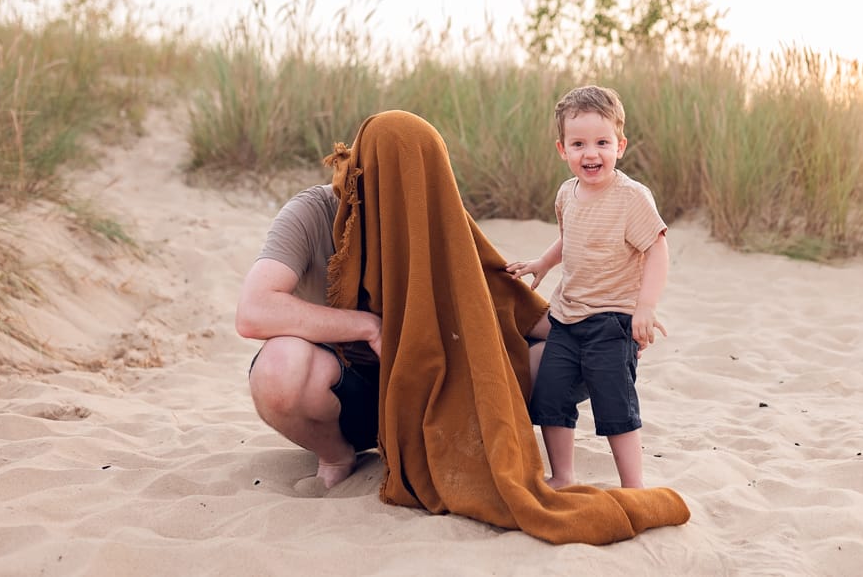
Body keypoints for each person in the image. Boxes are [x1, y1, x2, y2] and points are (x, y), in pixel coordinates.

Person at [235, 114, 551, 490]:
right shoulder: (314, 212)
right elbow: (253, 311)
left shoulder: (436, 217)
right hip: (343, 395)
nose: (405, 190)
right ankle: (336, 456)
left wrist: (604, 326)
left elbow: (507, 307)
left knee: (576, 349)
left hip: (434, 394)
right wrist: (368, 327)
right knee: (277, 369)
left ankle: (457, 448)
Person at [505, 85, 670, 490]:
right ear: (562, 149)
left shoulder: (631, 198)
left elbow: (658, 249)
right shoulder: (567, 194)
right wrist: (544, 261)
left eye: (602, 142)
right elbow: (572, 237)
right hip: (566, 318)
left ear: (620, 145)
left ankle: (633, 486)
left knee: (615, 404)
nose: (590, 153)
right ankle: (563, 476)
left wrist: (645, 308)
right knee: (550, 399)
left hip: (613, 322)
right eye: (578, 144)